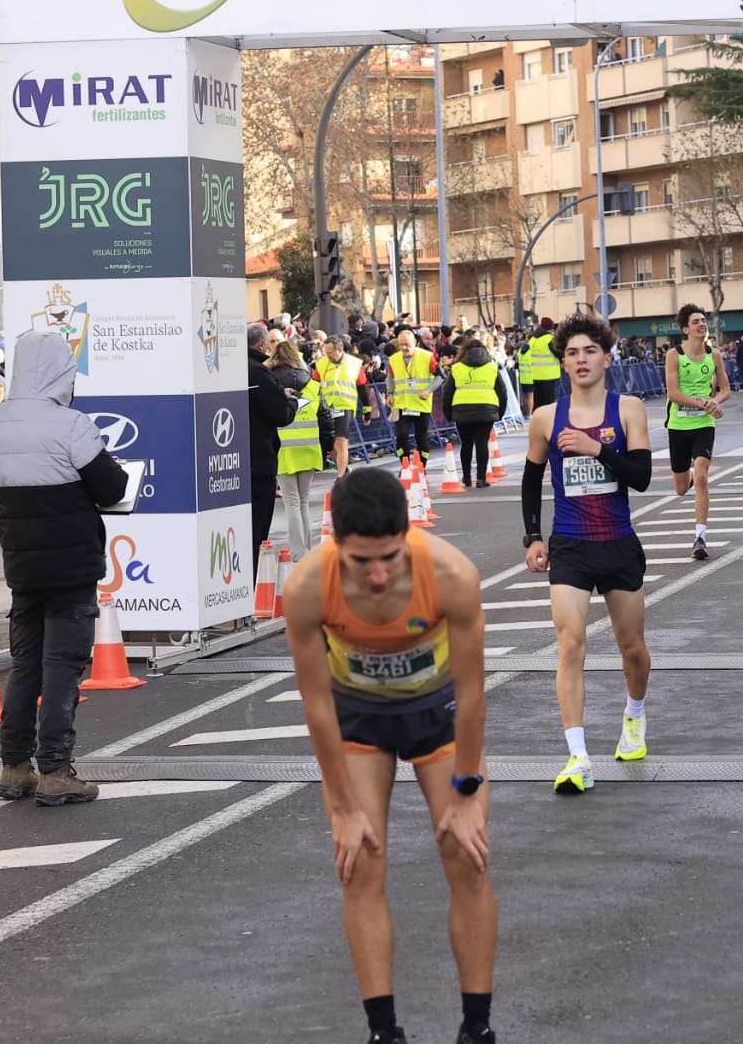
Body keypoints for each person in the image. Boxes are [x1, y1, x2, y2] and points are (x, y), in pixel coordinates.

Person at [282, 469, 496, 1044]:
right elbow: (317, 706)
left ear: (409, 534)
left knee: (467, 856)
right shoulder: (306, 587)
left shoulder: (451, 574)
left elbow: (475, 691)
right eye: (360, 562)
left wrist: (468, 789)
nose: (377, 576)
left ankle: (477, 1028)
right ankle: (384, 1032)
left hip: (440, 713)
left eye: (390, 558)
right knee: (359, 863)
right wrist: (342, 805)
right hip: (359, 720)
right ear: (335, 543)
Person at [0, 331, 128, 806]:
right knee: (63, 666)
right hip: (72, 564)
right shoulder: (71, 426)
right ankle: (57, 769)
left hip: (21, 564)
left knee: (26, 667)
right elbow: (112, 487)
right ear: (60, 372)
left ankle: (13, 766)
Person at [521, 314, 653, 794]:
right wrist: (532, 537)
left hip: (617, 541)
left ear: (607, 358)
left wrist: (597, 448)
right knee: (570, 643)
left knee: (632, 649)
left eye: (589, 351)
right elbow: (532, 479)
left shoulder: (629, 409)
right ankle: (578, 757)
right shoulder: (546, 418)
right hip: (571, 545)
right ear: (563, 362)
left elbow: (639, 476)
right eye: (572, 353)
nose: (581, 359)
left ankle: (634, 715)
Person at [664, 304, 731, 560]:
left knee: (702, 476)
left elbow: (725, 389)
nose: (702, 324)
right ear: (685, 329)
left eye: (703, 320)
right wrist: (703, 402)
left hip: (703, 425)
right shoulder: (675, 355)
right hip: (678, 426)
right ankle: (689, 477)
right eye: (696, 321)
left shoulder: (714, 355)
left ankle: (700, 536)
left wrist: (716, 402)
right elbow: (674, 393)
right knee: (681, 488)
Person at [248, 322, 296, 576]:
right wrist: (291, 403)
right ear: (261, 345)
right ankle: (252, 585)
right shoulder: (259, 373)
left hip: (234, 462)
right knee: (257, 530)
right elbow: (279, 414)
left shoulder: (233, 369)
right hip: (260, 460)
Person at [443, 335, 507, 489]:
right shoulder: (492, 367)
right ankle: (481, 478)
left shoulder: (456, 368)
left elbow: (447, 393)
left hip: (462, 410)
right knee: (481, 444)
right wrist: (500, 412)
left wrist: (448, 413)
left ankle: (466, 477)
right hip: (486, 410)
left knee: (466, 444)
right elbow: (502, 392)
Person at [277, 363, 327, 559]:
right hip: (309, 448)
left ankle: (298, 551)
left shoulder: (273, 386)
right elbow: (325, 417)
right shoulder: (313, 385)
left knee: (291, 502)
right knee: (303, 501)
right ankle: (306, 548)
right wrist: (327, 445)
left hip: (283, 450)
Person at [315, 334, 372, 477]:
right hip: (327, 408)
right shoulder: (321, 364)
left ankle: (340, 477)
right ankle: (344, 469)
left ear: (340, 349)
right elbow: (314, 386)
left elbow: (362, 389)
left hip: (345, 406)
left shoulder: (355, 364)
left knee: (341, 442)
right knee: (331, 446)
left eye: (330, 352)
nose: (327, 355)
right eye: (325, 352)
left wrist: (367, 410)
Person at [387, 330, 439, 468]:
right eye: (401, 344)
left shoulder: (427, 357)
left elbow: (440, 377)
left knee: (421, 437)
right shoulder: (394, 359)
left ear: (415, 343)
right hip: (401, 404)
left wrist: (428, 391)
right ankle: (404, 466)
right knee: (401, 436)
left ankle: (422, 467)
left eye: (407, 344)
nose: (404, 347)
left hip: (421, 404)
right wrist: (390, 393)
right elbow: (390, 377)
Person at [525, 316, 560, 410]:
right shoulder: (550, 339)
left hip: (534, 376)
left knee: (538, 405)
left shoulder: (532, 339)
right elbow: (559, 353)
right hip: (549, 376)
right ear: (550, 328)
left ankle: (538, 423)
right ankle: (549, 424)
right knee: (549, 405)